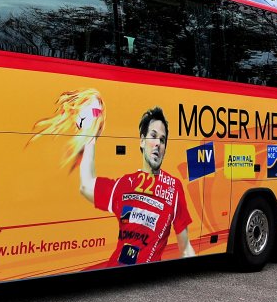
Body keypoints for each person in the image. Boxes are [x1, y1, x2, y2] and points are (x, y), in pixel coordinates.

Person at [78, 105, 196, 265]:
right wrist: (90, 138)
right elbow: (86, 185)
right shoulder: (125, 184)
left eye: (162, 140)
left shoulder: (173, 188)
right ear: (141, 141)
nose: (157, 144)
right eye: (153, 136)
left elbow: (186, 248)